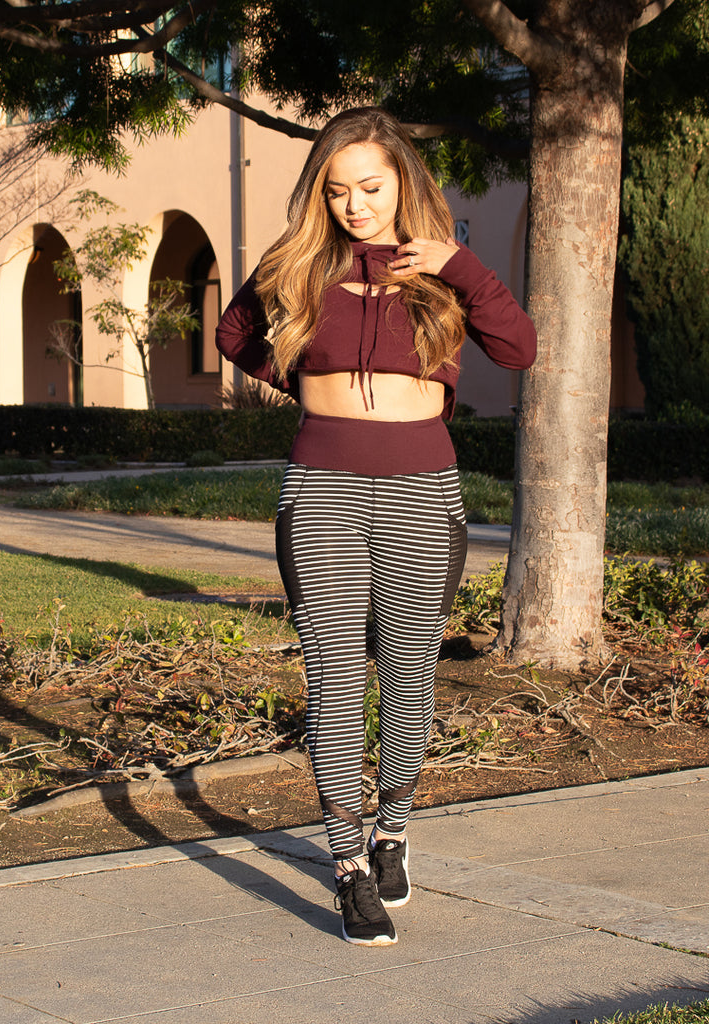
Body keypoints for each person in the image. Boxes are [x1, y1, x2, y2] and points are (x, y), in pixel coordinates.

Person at [215, 107, 536, 946]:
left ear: (402, 184)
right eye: (337, 189)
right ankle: (349, 865)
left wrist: (460, 265)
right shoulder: (299, 265)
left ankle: (393, 825)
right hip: (321, 485)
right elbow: (233, 333)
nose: (354, 204)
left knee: (406, 670)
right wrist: (313, 395)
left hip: (423, 489)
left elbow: (518, 347)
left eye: (370, 186)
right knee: (331, 675)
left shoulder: (441, 270)